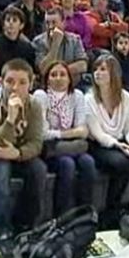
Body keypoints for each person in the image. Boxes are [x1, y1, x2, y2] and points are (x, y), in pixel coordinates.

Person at [0, 58, 47, 238]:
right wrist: (11, 119)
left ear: (31, 84)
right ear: (1, 81)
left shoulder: (34, 104)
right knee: (1, 167)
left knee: (38, 168)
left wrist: (18, 154)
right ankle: (1, 230)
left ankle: (25, 225)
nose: (15, 87)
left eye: (22, 82)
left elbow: (36, 143)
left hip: (13, 152)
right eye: (10, 81)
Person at [85, 54, 129, 228]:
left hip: (122, 141)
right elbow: (98, 134)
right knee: (122, 163)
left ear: (114, 73)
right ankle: (111, 211)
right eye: (95, 70)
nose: (97, 73)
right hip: (99, 145)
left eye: (102, 69)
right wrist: (118, 145)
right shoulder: (88, 99)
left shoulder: (127, 98)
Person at [33, 61, 96, 216]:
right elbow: (42, 133)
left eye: (63, 74)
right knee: (67, 164)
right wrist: (68, 133)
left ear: (69, 79)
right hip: (50, 148)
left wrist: (61, 133)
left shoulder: (77, 96)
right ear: (47, 79)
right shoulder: (41, 96)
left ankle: (84, 214)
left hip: (72, 145)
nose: (58, 78)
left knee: (88, 162)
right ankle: (61, 216)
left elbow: (83, 130)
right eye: (54, 75)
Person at [34, 7, 88, 85]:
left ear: (63, 22)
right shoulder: (38, 42)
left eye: (54, 22)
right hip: (48, 87)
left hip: (73, 86)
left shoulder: (75, 40)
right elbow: (43, 70)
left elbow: (83, 65)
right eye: (47, 23)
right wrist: (55, 44)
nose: (50, 26)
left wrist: (60, 72)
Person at [0, 6, 36, 74]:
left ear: (21, 25)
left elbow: (30, 70)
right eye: (8, 20)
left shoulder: (27, 48)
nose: (11, 23)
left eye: (14, 20)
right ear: (3, 25)